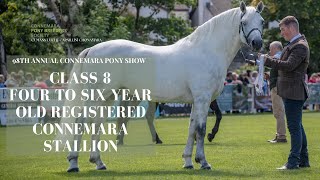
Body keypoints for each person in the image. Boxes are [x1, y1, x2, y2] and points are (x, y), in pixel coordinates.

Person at [260, 16, 310, 170]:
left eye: (282, 29)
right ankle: (303, 160)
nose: (281, 33)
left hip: (294, 91)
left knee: (294, 128)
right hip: (292, 90)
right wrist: (264, 60)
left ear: (291, 28)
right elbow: (284, 65)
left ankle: (293, 162)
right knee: (298, 127)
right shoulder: (295, 44)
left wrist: (266, 60)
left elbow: (288, 66)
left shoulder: (299, 46)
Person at [267, 41, 287, 143]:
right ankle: (279, 134)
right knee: (278, 112)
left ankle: (281, 136)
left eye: (270, 49)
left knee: (278, 111)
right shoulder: (279, 57)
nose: (269, 51)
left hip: (277, 87)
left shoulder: (277, 57)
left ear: (275, 48)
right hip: (277, 86)